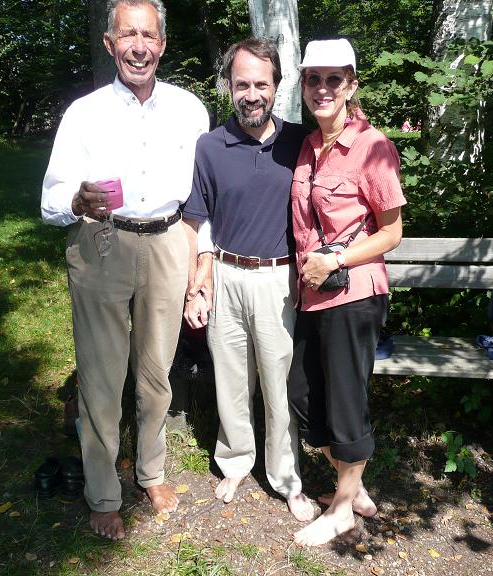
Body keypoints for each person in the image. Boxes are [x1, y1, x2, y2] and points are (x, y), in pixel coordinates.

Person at [40, 0, 210, 540]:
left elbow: (201, 198)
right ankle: (102, 492)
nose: (139, 46)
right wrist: (76, 201)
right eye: (128, 35)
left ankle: (151, 472)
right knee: (101, 375)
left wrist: (201, 256)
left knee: (157, 372)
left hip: (168, 242)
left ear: (163, 44)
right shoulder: (84, 113)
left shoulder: (190, 110)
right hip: (101, 241)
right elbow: (49, 201)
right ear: (110, 43)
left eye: (149, 36)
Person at [182, 38, 314, 522]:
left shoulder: (301, 142)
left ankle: (286, 477)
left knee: (279, 384)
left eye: (262, 84)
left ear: (277, 86)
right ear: (228, 86)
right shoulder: (210, 146)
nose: (252, 94)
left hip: (279, 279)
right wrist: (200, 282)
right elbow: (198, 221)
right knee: (231, 378)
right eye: (242, 84)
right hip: (226, 274)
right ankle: (236, 461)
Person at [288, 38, 406, 546]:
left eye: (334, 79)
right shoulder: (307, 145)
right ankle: (353, 487)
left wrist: (336, 259)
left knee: (345, 400)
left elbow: (392, 232)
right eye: (313, 79)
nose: (323, 88)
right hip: (312, 295)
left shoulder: (373, 146)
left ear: (351, 85)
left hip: (354, 293)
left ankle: (341, 510)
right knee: (303, 393)